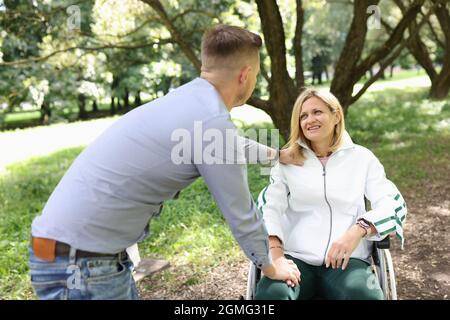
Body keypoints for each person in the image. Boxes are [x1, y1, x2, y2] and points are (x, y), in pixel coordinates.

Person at [28, 24, 301, 300]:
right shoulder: (211, 123)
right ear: (245, 75)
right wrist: (269, 265)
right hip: (83, 266)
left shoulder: (188, 101)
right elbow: (241, 214)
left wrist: (276, 155)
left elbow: (221, 145)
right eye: (255, 75)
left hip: (62, 252)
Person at [254, 88, 407, 300]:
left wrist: (358, 229)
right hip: (295, 258)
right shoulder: (287, 162)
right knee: (273, 295)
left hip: (347, 261)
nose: (310, 120)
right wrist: (277, 255)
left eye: (317, 112)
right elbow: (268, 207)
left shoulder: (362, 159)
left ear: (336, 116)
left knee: (364, 295)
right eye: (303, 116)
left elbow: (393, 203)